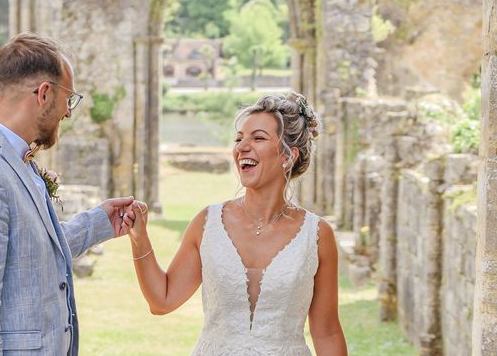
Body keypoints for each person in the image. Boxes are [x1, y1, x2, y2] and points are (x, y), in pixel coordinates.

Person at [0, 33, 135, 355]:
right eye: (68, 99)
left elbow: (32, 254)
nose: (68, 113)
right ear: (44, 94)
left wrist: (99, 223)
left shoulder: (13, 157)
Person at [125, 92, 348, 355]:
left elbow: (327, 331)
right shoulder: (207, 223)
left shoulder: (317, 235)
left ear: (288, 157)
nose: (242, 147)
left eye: (258, 138)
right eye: (239, 138)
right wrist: (139, 239)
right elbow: (161, 300)